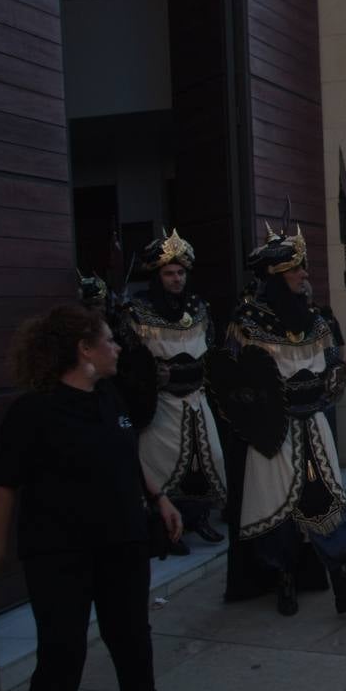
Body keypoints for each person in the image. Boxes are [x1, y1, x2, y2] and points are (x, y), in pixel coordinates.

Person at [0, 305, 183, 691]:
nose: (117, 348)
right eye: (108, 341)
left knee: (129, 630)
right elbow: (4, 486)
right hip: (58, 551)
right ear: (83, 350)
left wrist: (160, 497)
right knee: (60, 654)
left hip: (123, 540)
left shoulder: (111, 396)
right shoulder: (32, 411)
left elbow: (128, 458)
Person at [215, 224, 346, 615]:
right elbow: (230, 383)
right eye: (295, 269)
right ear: (274, 275)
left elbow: (327, 381)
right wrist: (259, 417)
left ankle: (345, 587)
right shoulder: (246, 323)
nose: (304, 275)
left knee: (328, 503)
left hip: (315, 429)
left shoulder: (316, 320)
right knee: (278, 509)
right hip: (275, 433)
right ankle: (283, 582)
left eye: (302, 269)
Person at [114, 230, 227, 554]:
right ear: (157, 274)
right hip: (161, 403)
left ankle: (199, 518)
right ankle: (165, 530)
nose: (177, 279)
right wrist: (149, 378)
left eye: (180, 272)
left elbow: (211, 347)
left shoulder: (199, 307)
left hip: (196, 397)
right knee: (159, 465)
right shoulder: (136, 311)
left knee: (207, 459)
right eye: (169, 273)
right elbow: (126, 363)